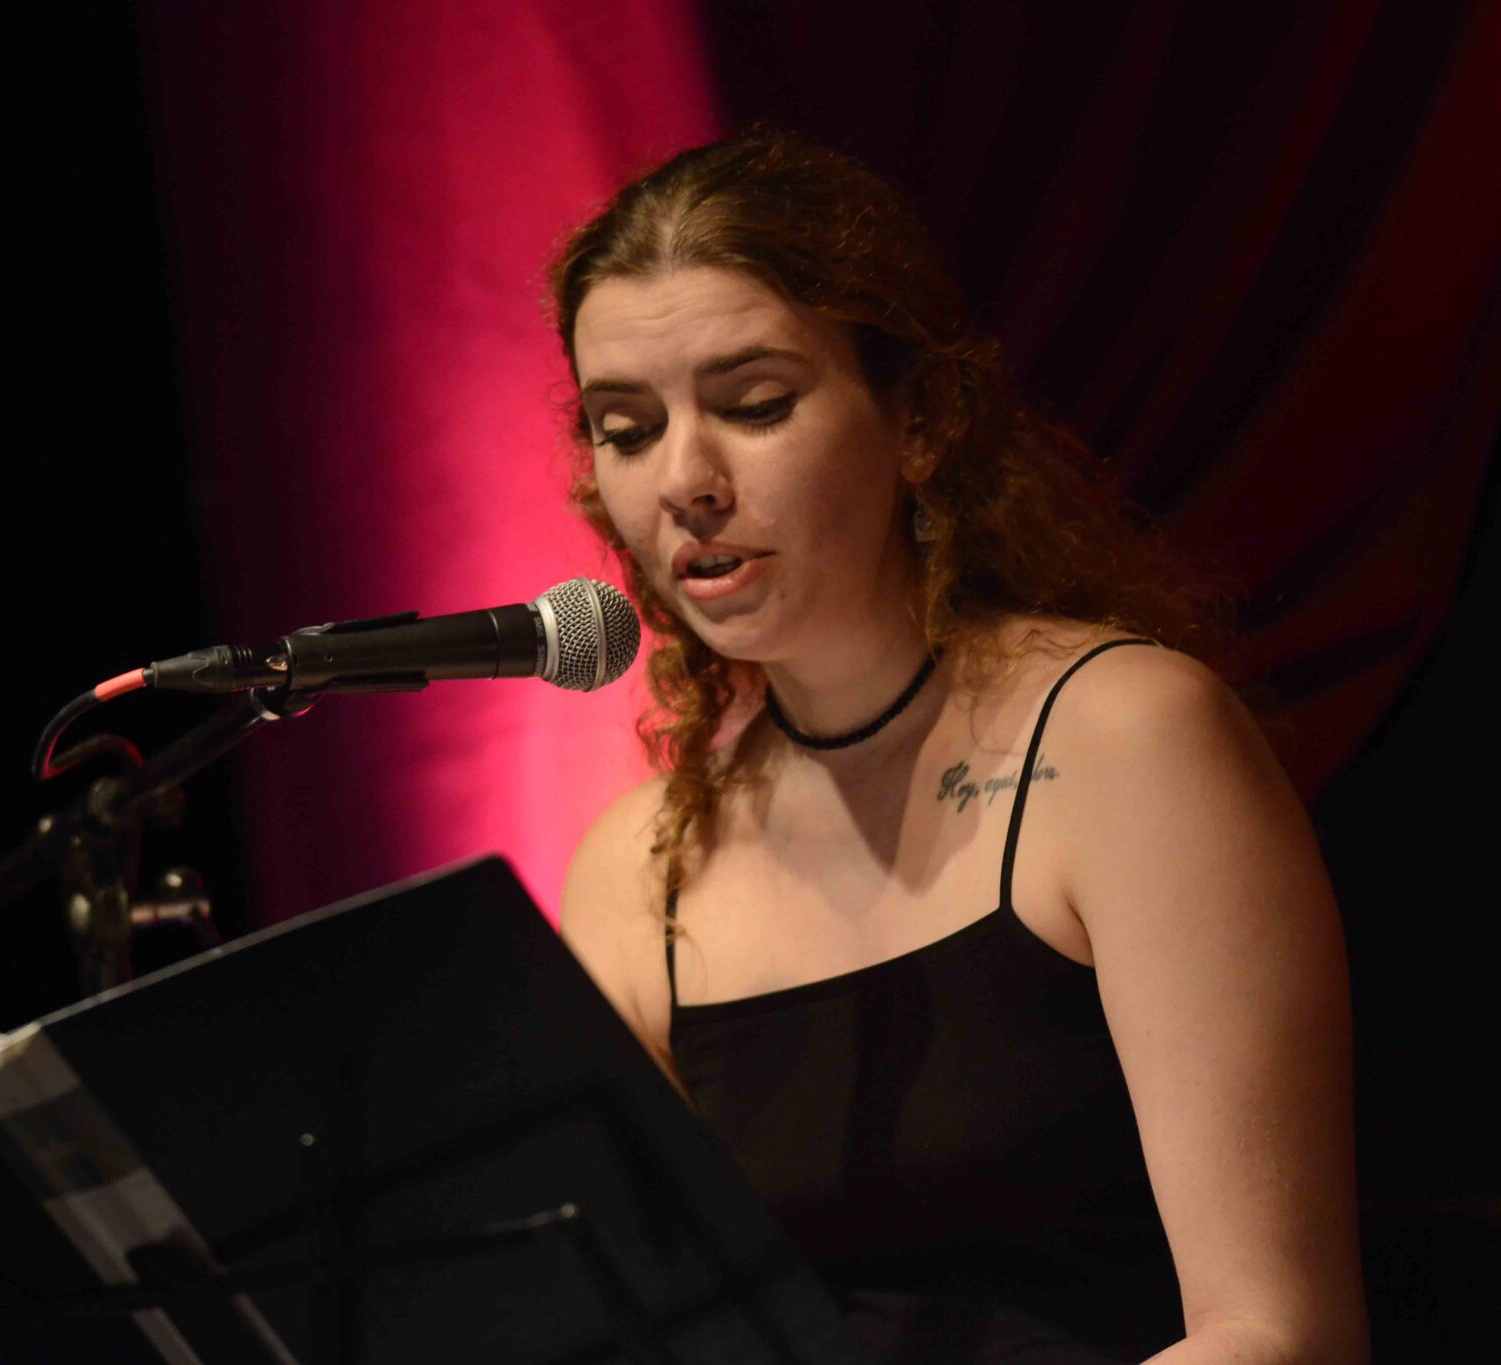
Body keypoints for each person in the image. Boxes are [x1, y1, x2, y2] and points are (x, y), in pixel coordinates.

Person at [553, 131, 1369, 1364]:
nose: (685, 480)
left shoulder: (1125, 737)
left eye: (754, 406)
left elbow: (1278, 1330)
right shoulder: (636, 873)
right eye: (624, 428)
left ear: (921, 420)